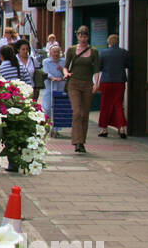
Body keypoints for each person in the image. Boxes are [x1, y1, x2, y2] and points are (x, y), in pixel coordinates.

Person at [64, 25, 99, 153]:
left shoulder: (94, 51)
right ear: (77, 36)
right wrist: (66, 73)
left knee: (84, 114)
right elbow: (66, 66)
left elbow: (96, 70)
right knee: (77, 112)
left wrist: (96, 83)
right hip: (74, 83)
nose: (82, 38)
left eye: (84, 36)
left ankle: (81, 142)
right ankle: (77, 141)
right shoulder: (72, 50)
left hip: (87, 84)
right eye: (80, 36)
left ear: (88, 37)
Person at [97, 34, 132, 139]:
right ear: (118, 42)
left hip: (106, 82)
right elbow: (129, 65)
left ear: (109, 43)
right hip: (119, 82)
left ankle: (104, 129)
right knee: (118, 105)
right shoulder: (124, 53)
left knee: (105, 105)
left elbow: (99, 67)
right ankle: (121, 128)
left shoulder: (103, 53)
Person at [42, 43, 66, 135]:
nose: (56, 54)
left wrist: (61, 70)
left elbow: (66, 72)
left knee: (58, 107)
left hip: (60, 86)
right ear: (50, 53)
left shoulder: (63, 61)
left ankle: (56, 129)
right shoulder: (46, 61)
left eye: (57, 52)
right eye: (54, 52)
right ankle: (47, 125)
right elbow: (46, 72)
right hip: (50, 85)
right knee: (48, 107)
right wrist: (52, 77)